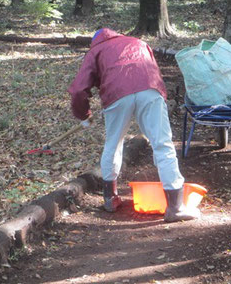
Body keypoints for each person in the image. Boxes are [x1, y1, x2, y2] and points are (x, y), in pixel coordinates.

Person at [68, 28, 200, 222]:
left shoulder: (95, 51)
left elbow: (79, 90)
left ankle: (110, 199)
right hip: (150, 89)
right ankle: (175, 207)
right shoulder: (138, 43)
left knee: (113, 143)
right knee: (162, 143)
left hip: (117, 95)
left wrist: (83, 114)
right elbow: (151, 69)